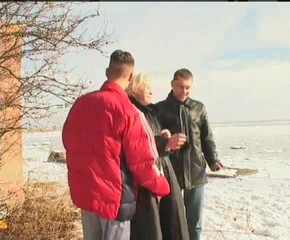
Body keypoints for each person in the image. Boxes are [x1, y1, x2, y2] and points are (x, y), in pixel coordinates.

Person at [62, 50, 170, 240]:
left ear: (106, 73)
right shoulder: (129, 112)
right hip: (114, 201)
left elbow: (68, 142)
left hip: (87, 195)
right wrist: (162, 187)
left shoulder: (81, 104)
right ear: (130, 76)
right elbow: (143, 163)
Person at [155, 68, 224, 240]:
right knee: (171, 221)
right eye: (181, 87)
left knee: (195, 224)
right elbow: (153, 139)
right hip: (171, 173)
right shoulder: (159, 109)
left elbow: (207, 137)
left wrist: (213, 160)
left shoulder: (198, 108)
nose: (184, 91)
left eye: (188, 88)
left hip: (196, 172)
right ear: (172, 84)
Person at [126, 73, 189, 240]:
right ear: (135, 87)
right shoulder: (132, 111)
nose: (151, 90)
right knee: (151, 226)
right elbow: (136, 144)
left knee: (171, 220)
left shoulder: (150, 111)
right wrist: (164, 143)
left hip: (161, 170)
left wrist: (164, 137)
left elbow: (150, 137)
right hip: (145, 177)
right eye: (147, 86)